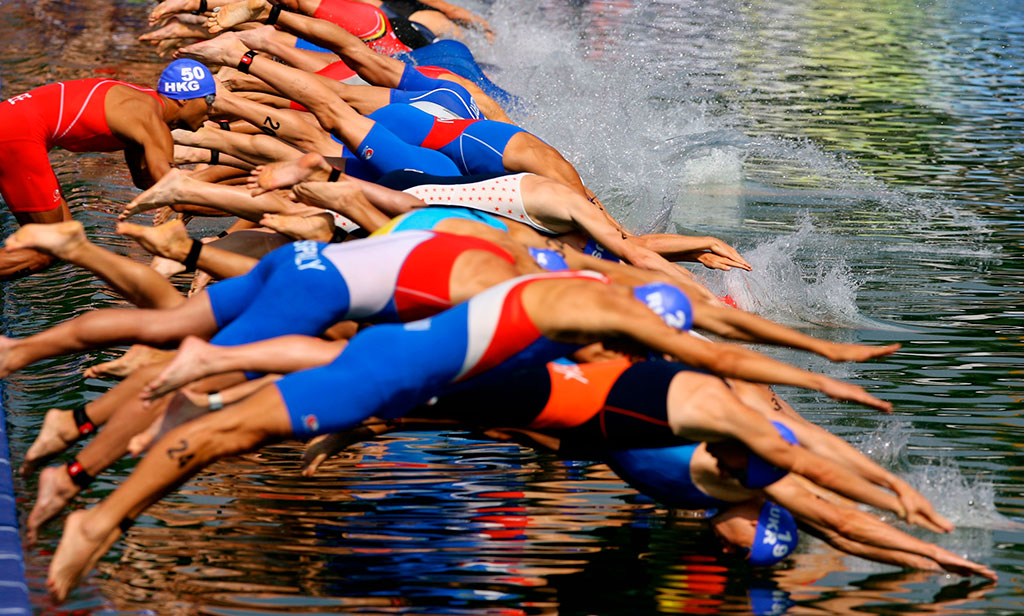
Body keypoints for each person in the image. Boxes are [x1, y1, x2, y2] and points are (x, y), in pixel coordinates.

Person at [45, 271, 927, 600]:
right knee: (215, 439)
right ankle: (98, 510)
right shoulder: (584, 309)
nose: (616, 353)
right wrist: (821, 370)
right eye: (625, 342)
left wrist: (823, 373)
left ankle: (113, 479)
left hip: (430, 384)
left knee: (240, 425)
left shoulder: (604, 370)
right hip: (397, 372)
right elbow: (699, 352)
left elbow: (798, 452)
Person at [0, 58, 216, 278]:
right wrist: (246, 207)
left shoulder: (142, 106)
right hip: (18, 136)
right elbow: (175, 192)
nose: (212, 109)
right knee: (49, 248)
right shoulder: (150, 120)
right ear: (184, 100)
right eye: (210, 99)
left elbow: (144, 180)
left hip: (13, 123)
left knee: (67, 240)